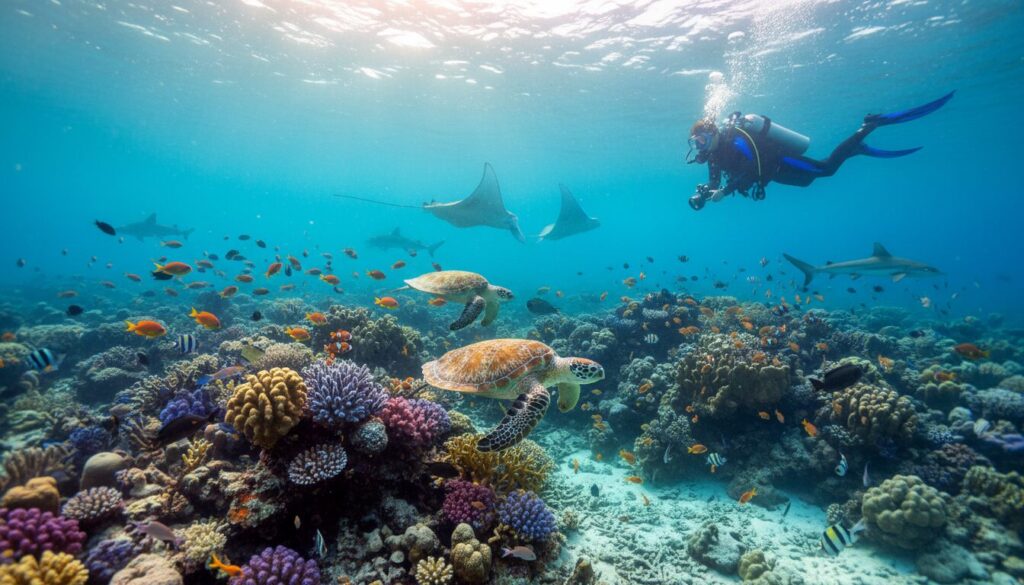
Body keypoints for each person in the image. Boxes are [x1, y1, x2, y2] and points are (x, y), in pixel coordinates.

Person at [686, 91, 955, 210]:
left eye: (700, 140)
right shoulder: (713, 156)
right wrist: (710, 191)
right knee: (808, 182)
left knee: (826, 169)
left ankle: (868, 127)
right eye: (695, 143)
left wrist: (727, 190)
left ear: (711, 134)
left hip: (780, 162)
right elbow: (716, 179)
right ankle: (856, 147)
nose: (698, 146)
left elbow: (755, 166)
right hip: (775, 174)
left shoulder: (737, 140)